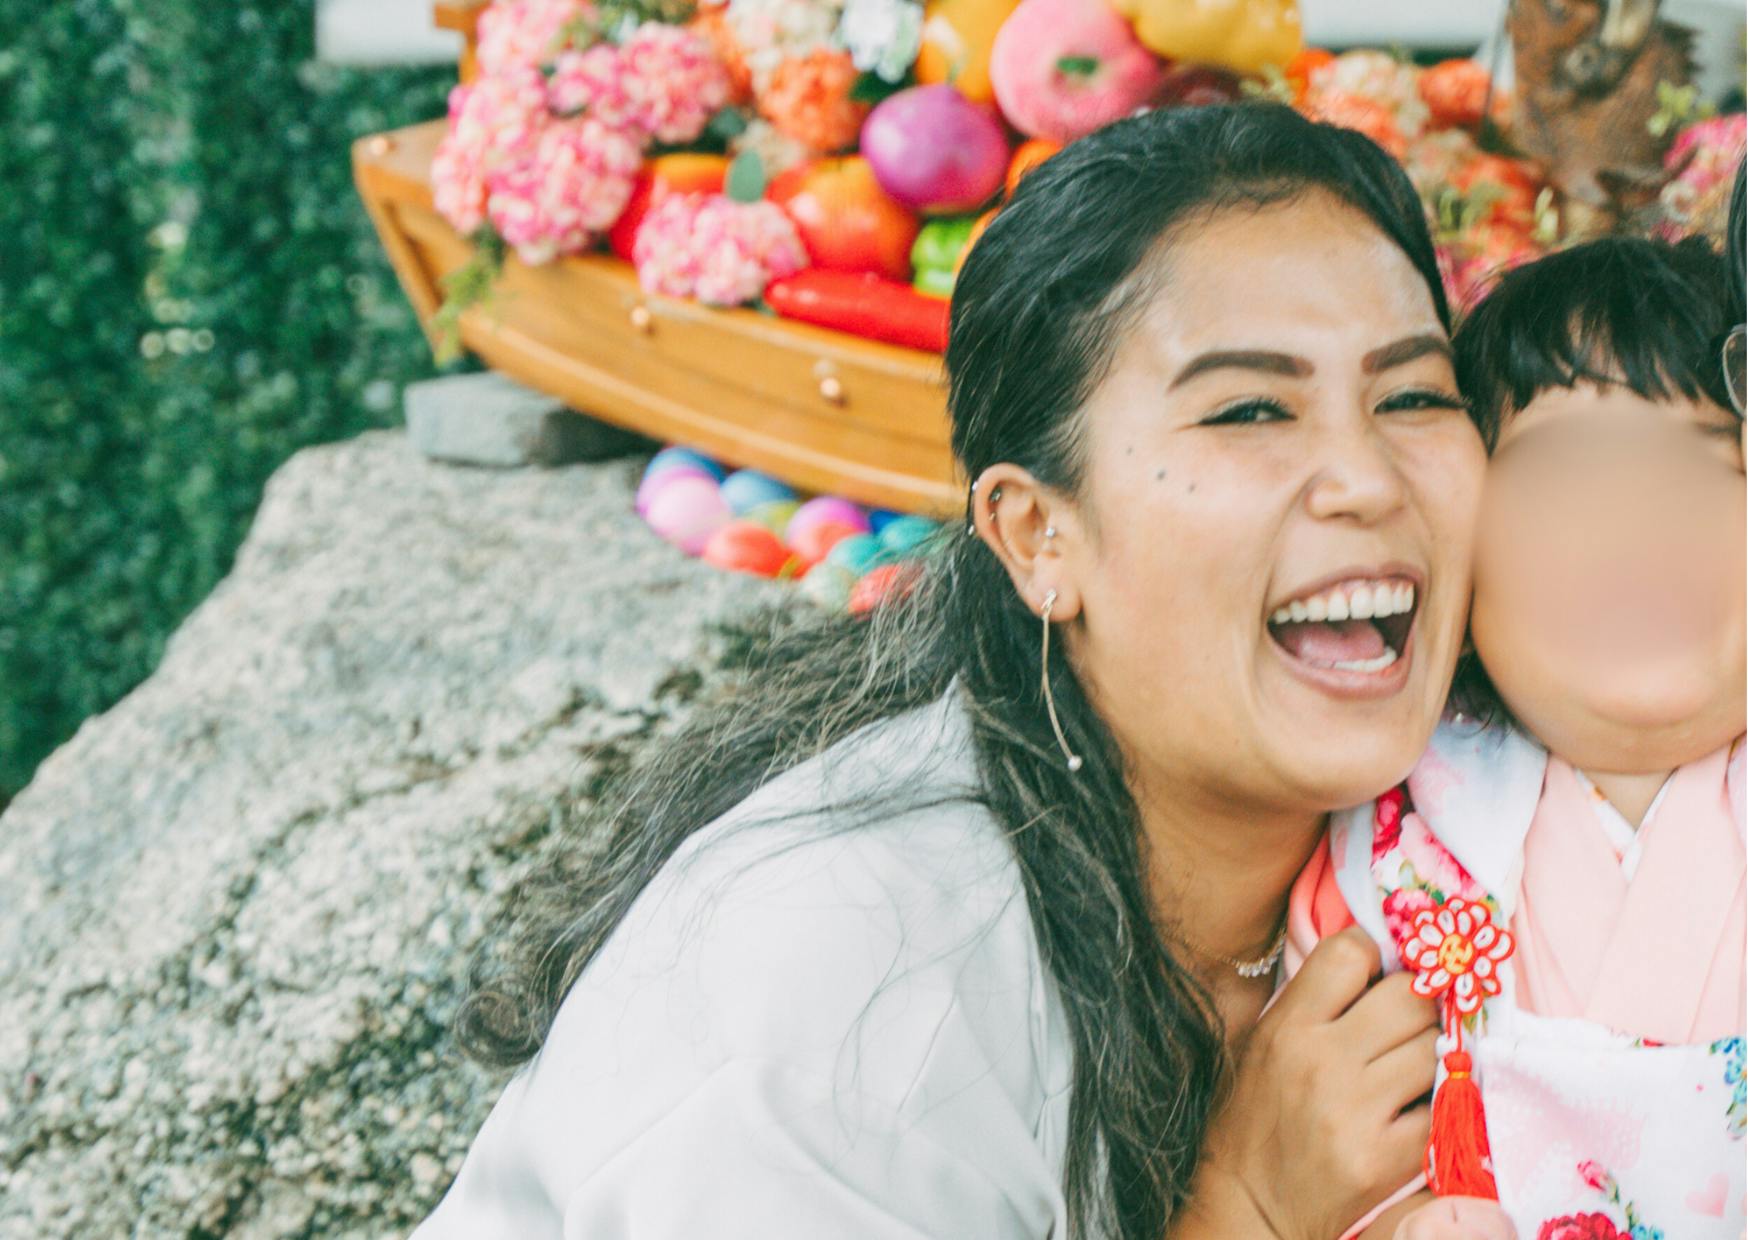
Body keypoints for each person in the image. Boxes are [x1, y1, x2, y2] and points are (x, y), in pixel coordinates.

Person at [410, 102, 1492, 1240]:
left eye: (1414, 395)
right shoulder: (853, 982)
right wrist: (1246, 1211)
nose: (1368, 478)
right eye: (1249, 410)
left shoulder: (1473, 825)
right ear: (1036, 534)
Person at [1290, 234, 1745, 1238]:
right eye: (1564, 478)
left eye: (1705, 469)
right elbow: (1317, 1151)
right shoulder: (1383, 844)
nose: (1635, 528)